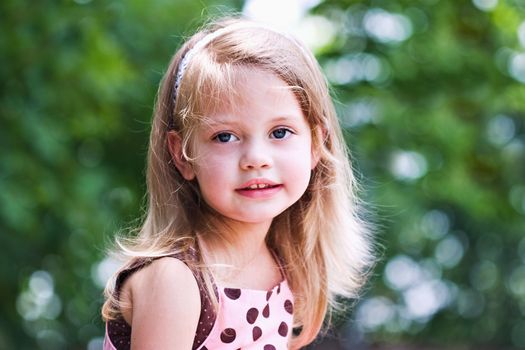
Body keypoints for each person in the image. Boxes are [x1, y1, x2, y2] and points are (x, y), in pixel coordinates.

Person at [101, 16, 373, 350]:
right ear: (183, 155)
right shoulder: (177, 282)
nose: (256, 158)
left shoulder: (282, 267)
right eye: (225, 136)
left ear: (315, 144)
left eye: (280, 132)